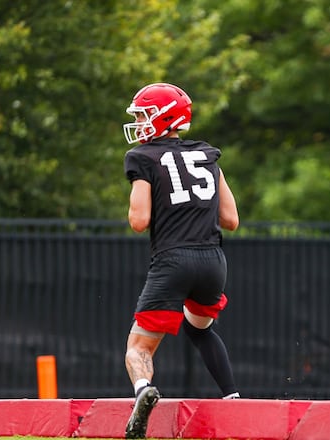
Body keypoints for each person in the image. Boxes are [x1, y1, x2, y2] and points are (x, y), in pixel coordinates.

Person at [121, 82, 241, 439]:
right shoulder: (207, 154)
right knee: (199, 328)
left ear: (164, 117)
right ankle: (233, 398)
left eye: (144, 116)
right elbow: (231, 219)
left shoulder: (142, 158)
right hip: (213, 262)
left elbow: (138, 220)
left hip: (172, 260)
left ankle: (143, 391)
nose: (140, 123)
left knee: (138, 348)